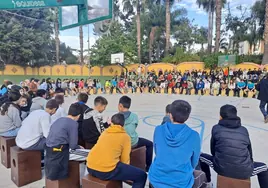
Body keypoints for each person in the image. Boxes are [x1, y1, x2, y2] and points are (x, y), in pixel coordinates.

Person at [199, 105, 268, 188]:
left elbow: (213, 150)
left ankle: (208, 183)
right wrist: (249, 162)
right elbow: (249, 151)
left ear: (221, 116)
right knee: (264, 167)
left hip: (221, 168)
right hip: (245, 170)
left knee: (200, 156)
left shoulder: (216, 128)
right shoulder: (243, 130)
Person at [149, 100, 201, 188]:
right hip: (181, 182)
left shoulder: (158, 129)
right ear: (187, 117)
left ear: (170, 115)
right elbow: (194, 162)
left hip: (156, 179)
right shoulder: (194, 135)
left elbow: (157, 152)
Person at [86, 113, 147, 188]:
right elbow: (125, 160)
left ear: (111, 123)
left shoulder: (104, 133)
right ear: (123, 125)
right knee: (141, 175)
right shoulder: (125, 137)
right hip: (106, 171)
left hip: (90, 166)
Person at [45, 103, 83, 181]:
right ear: (79, 116)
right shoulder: (73, 123)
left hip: (49, 149)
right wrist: (79, 147)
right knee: (89, 154)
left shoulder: (59, 120)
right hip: (59, 151)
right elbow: (73, 145)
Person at [118, 96, 153, 171]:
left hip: (121, 143)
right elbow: (134, 127)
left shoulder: (116, 117)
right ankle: (148, 166)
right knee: (150, 144)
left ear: (120, 105)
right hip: (134, 142)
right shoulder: (134, 116)